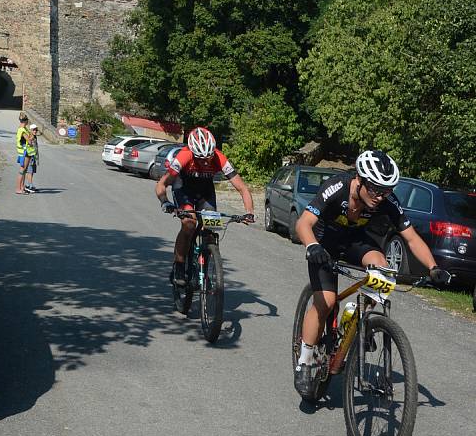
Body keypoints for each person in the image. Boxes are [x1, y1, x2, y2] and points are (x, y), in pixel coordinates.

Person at [293, 149, 451, 400]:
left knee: (383, 268)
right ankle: (305, 359)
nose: (380, 196)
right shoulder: (336, 187)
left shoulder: (387, 201)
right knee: (327, 301)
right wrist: (312, 247)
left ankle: (361, 320)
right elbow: (303, 223)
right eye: (376, 189)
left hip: (356, 242)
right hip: (324, 242)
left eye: (387, 190)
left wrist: (434, 268)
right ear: (360, 179)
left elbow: (411, 238)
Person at [155, 126, 255, 286]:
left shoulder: (219, 157)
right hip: (184, 188)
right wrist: (165, 202)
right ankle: (179, 266)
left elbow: (242, 188)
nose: (205, 161)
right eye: (200, 158)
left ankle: (204, 271)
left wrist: (249, 212)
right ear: (193, 152)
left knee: (209, 229)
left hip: (205, 190)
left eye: (208, 157)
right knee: (189, 224)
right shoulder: (184, 156)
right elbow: (162, 183)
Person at [15, 113, 31, 195]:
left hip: (23, 152)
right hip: (24, 152)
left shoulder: (21, 128)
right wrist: (32, 137)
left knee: (23, 170)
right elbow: (29, 140)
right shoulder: (23, 130)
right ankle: (18, 188)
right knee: (22, 170)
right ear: (25, 121)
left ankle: (22, 187)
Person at [25, 124, 39, 193]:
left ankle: (28, 185)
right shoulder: (31, 136)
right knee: (30, 171)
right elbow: (28, 142)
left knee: (32, 171)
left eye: (36, 129)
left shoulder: (35, 136)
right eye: (34, 130)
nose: (35, 131)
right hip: (30, 156)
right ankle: (30, 185)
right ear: (30, 130)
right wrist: (30, 139)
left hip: (34, 156)